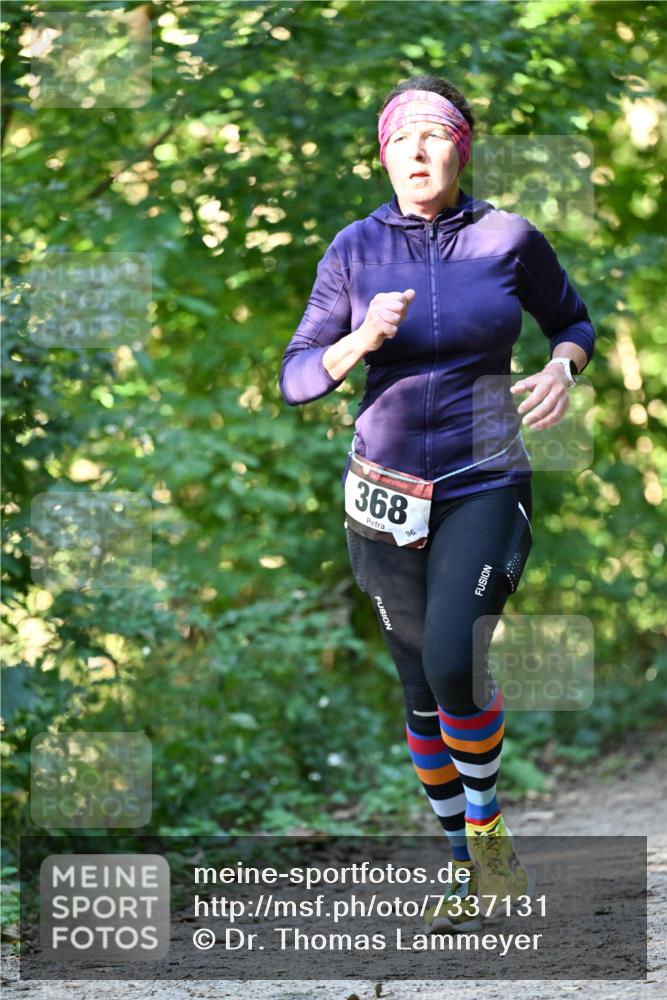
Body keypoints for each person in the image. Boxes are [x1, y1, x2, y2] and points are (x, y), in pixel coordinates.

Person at [279, 75, 595, 932]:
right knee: (421, 690)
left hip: (485, 477)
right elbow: (296, 375)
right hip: (381, 496)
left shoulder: (506, 238)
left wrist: (562, 365)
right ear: (383, 154)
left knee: (456, 661)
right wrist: (358, 339)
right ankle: (466, 864)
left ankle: (486, 834)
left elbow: (574, 320)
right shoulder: (352, 249)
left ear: (460, 146)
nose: (415, 154)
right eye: (398, 141)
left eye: (433, 136)